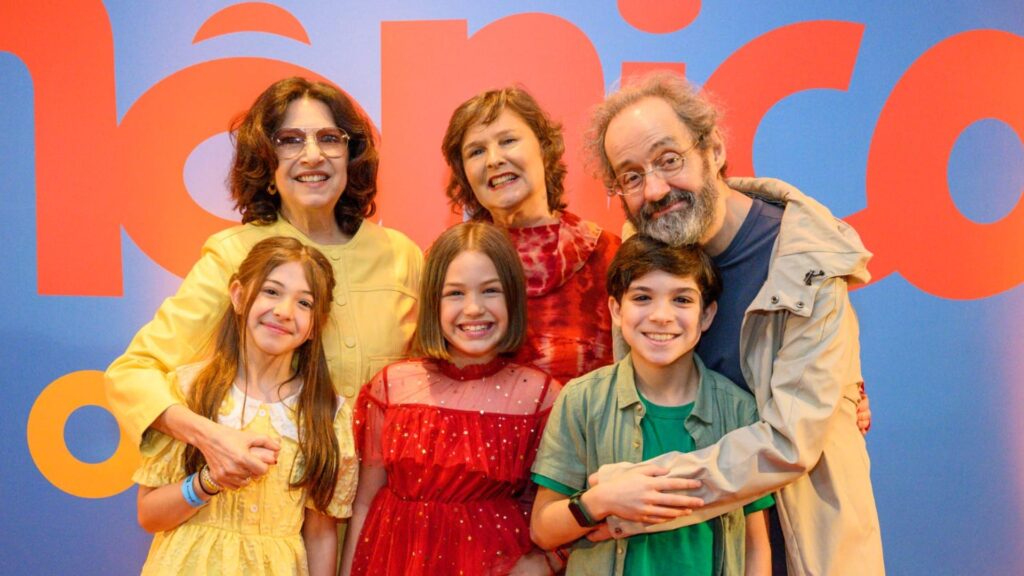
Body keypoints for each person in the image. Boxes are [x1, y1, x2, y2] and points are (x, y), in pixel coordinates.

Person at [586, 72, 884, 574]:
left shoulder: (807, 260)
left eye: (669, 160)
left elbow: (791, 440)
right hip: (690, 550)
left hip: (804, 544)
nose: (654, 189)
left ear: (714, 149)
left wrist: (648, 490)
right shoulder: (641, 261)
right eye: (631, 176)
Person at [106, 77, 422, 489]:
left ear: (351, 156)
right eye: (290, 140)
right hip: (276, 505)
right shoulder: (234, 255)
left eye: (330, 138)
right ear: (266, 162)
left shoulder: (403, 256)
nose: (313, 155)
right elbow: (132, 373)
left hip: (384, 505)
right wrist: (210, 438)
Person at [530, 235, 774, 575]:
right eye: (642, 297)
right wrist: (602, 500)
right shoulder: (581, 400)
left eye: (682, 299)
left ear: (706, 314)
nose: (661, 316)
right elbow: (543, 530)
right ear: (617, 310)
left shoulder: (738, 411)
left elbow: (755, 544)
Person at [341, 222, 562, 576]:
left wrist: (544, 563)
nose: (473, 308)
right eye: (455, 293)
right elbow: (365, 502)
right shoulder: (390, 388)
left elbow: (555, 507)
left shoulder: (541, 397)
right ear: (432, 301)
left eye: (490, 291)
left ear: (513, 297)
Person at [134, 236, 355, 575]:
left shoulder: (325, 414)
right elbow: (149, 515)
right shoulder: (189, 391)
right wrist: (208, 481)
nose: (284, 311)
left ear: (316, 324)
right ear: (238, 296)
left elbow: (320, 534)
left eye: (304, 303)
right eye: (272, 291)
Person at [442, 87, 620, 385]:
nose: (493, 160)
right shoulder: (448, 262)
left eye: (508, 141)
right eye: (476, 151)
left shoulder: (608, 255)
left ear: (544, 148)